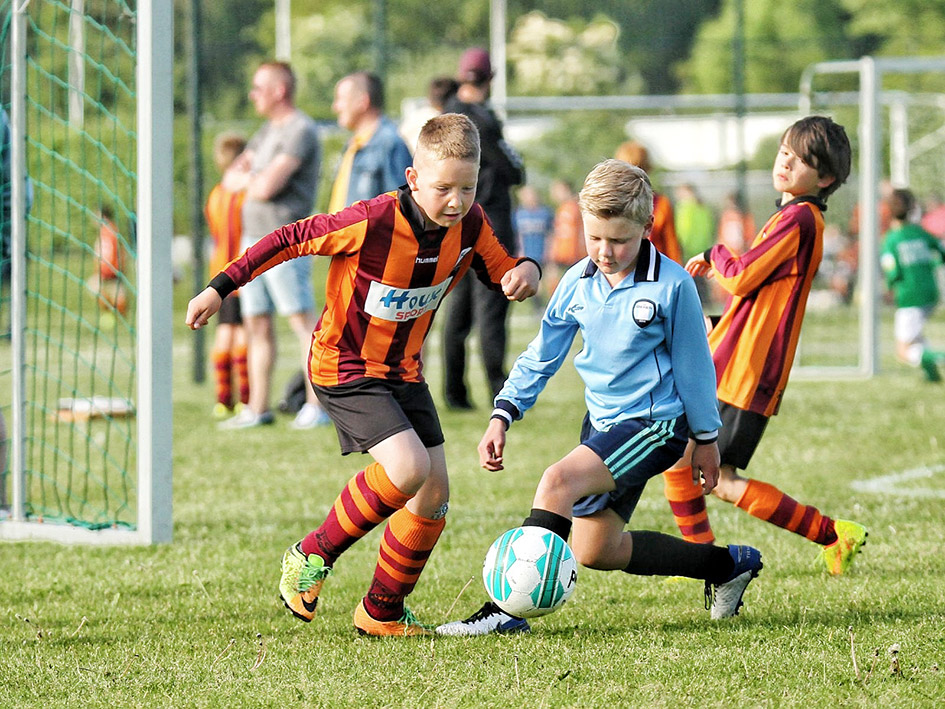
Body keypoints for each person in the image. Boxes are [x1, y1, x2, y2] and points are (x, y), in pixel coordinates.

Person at [185, 113, 541, 637]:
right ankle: (311, 554)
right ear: (413, 177)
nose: (455, 201)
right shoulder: (371, 221)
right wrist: (220, 287)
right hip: (344, 364)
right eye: (443, 188)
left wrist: (527, 270)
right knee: (409, 467)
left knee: (433, 496)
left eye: (467, 188)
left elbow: (502, 267)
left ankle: (381, 612)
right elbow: (288, 237)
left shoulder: (470, 225)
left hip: (403, 372)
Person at [437, 159, 762, 637]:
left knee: (557, 482)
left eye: (619, 240)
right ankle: (728, 566)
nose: (605, 252)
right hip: (603, 425)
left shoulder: (672, 285)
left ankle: (505, 612)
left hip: (654, 426)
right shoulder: (577, 281)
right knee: (595, 549)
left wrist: (708, 439)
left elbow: (695, 368)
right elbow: (541, 355)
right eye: (594, 238)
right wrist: (502, 414)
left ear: (647, 228)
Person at [661, 116, 867, 575]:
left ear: (825, 178)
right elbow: (760, 298)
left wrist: (714, 253)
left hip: (748, 370)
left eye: (801, 159)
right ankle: (708, 561)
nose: (786, 162)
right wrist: (719, 326)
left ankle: (825, 536)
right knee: (691, 465)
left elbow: (740, 276)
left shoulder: (799, 218)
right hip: (737, 362)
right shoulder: (793, 216)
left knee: (710, 474)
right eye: (784, 152)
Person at [219, 61, 328, 430]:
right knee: (256, 324)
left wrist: (251, 180)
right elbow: (231, 177)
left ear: (280, 90)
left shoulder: (300, 130)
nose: (253, 95)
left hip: (286, 243)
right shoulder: (266, 131)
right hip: (253, 241)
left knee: (302, 322)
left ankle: (316, 406)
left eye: (259, 88)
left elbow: (266, 187)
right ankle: (257, 408)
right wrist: (252, 178)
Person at [441, 48, 526, 410]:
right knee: (492, 306)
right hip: (490, 220)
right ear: (490, 79)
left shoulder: (447, 115)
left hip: (456, 221)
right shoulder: (481, 120)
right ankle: (497, 388)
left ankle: (454, 392)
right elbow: (513, 169)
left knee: (459, 309)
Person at [205, 131, 251, 418]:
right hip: (242, 272)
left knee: (224, 333)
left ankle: (223, 399)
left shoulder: (215, 194)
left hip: (219, 270)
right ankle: (247, 398)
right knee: (243, 334)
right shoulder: (244, 194)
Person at [880, 187, 945, 382]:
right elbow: (941, 250)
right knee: (916, 339)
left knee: (903, 351)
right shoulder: (921, 233)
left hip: (909, 296)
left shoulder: (891, 240)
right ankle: (932, 376)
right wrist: (934, 263)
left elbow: (892, 270)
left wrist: (890, 287)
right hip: (931, 292)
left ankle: (939, 357)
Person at [328, 71, 413, 212]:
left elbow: (400, 208)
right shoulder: (354, 145)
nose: (335, 107)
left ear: (363, 101)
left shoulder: (390, 144)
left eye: (341, 99)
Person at [614, 140, 682, 264]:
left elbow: (671, 246)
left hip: (655, 269)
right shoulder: (612, 202)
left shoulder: (662, 204)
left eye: (639, 169)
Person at [673, 182, 716, 304]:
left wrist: (680, 246)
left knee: (690, 279)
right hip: (702, 249)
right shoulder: (703, 208)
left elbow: (683, 230)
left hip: (688, 250)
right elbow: (710, 228)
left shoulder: (684, 208)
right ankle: (705, 303)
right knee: (701, 279)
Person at [85, 205, 128, 322]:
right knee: (95, 288)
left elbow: (115, 253)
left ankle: (115, 314)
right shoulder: (104, 231)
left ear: (104, 217)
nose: (94, 219)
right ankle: (112, 314)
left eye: (96, 215)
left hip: (112, 272)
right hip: (106, 272)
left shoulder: (110, 232)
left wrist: (111, 270)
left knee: (119, 302)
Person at [545, 178, 584, 296]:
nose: (555, 195)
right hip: (562, 252)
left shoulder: (577, 207)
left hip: (574, 252)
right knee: (552, 277)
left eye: (557, 191)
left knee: (576, 282)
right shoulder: (562, 208)